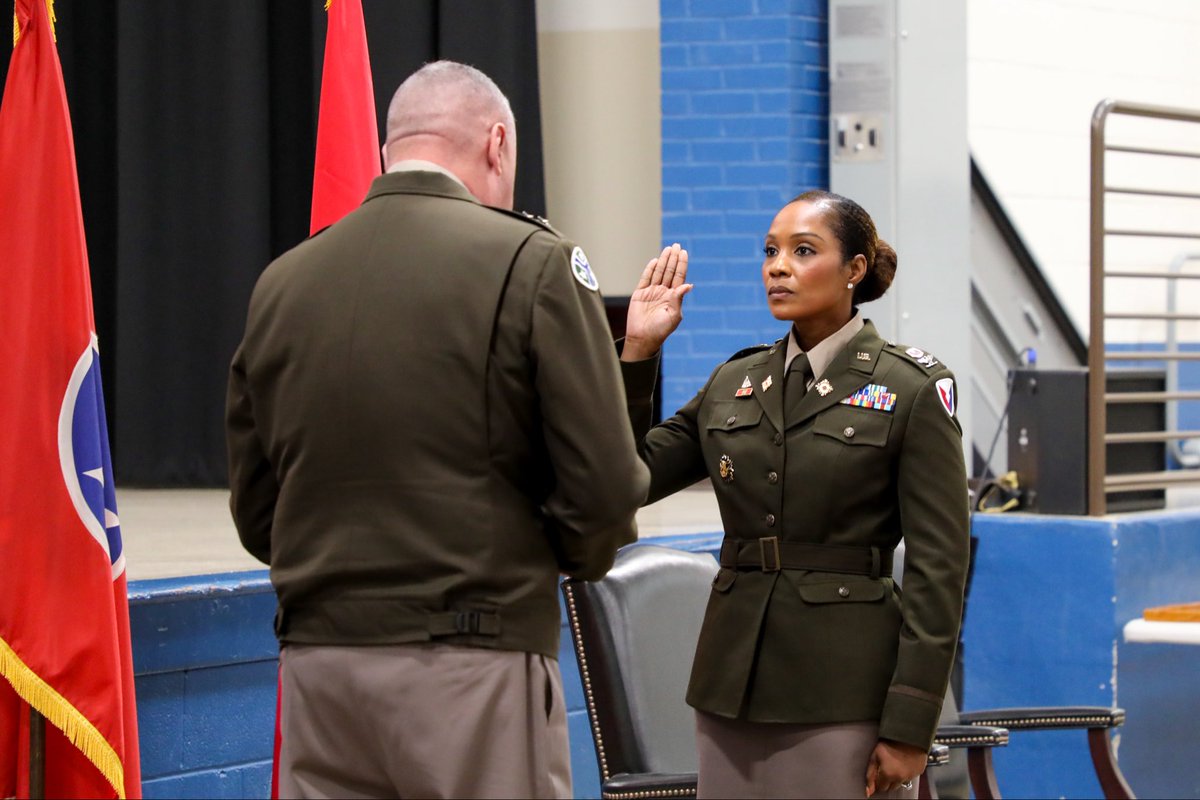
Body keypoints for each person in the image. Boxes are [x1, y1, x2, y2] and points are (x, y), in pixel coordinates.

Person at [225, 60, 649, 799]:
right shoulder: (532, 263)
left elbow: (257, 508)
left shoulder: (283, 282)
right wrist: (567, 559)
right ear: (496, 144)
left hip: (318, 668)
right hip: (472, 656)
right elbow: (605, 488)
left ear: (394, 149)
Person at [620, 191, 970, 798]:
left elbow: (939, 568)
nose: (778, 266)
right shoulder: (735, 381)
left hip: (842, 687)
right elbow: (624, 478)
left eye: (803, 251)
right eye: (770, 251)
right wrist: (639, 353)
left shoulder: (909, 387)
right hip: (732, 685)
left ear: (854, 270)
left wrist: (911, 724)